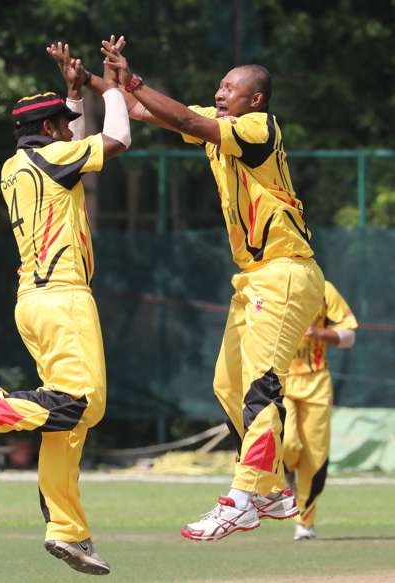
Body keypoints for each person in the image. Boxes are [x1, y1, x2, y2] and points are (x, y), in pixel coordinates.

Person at [101, 39, 325, 541]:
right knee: (228, 386)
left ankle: (242, 497)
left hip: (286, 271)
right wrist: (98, 81)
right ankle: (272, 490)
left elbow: (182, 120)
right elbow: (142, 110)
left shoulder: (257, 128)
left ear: (256, 100)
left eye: (230, 87)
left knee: (260, 389)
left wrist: (133, 80)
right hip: (254, 278)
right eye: (219, 86)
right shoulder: (218, 125)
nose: (220, 93)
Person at [0, 38, 131, 575]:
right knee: (78, 405)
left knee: (67, 418)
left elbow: (57, 142)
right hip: (64, 297)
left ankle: (68, 530)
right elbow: (117, 138)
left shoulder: (14, 166)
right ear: (50, 133)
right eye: (66, 126)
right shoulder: (55, 157)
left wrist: (72, 94)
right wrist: (112, 86)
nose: (73, 132)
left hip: (33, 300)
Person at [283, 280, 358, 541]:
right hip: (278, 379)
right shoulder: (267, 285)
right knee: (288, 444)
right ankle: (287, 470)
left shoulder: (324, 289)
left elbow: (349, 336)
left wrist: (318, 333)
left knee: (314, 456)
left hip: (316, 381)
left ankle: (305, 522)